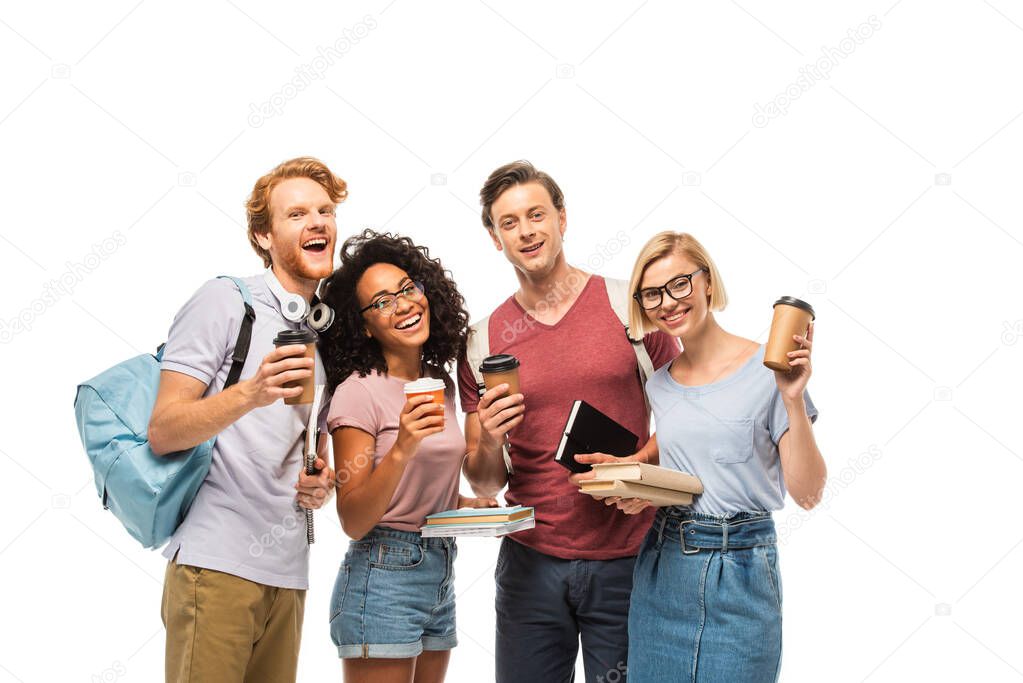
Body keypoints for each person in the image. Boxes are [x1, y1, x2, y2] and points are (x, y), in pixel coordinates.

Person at [456, 161, 680, 682]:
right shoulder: (482, 341)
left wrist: (639, 463)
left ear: (562, 218)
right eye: (509, 223)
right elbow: (485, 480)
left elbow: (691, 418)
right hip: (529, 565)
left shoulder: (631, 308)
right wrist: (488, 438)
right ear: (495, 238)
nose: (527, 231)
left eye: (537, 214)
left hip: (631, 556)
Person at [148, 157, 343, 683]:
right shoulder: (226, 302)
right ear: (263, 235)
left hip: (289, 572)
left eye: (324, 211)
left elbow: (307, 453)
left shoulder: (323, 333)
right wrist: (251, 392)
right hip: (216, 567)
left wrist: (320, 481)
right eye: (297, 214)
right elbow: (164, 430)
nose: (318, 222)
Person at [606, 231, 826, 682]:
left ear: (707, 281)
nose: (667, 302)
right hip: (663, 568)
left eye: (680, 284)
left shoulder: (769, 371)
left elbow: (808, 493)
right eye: (652, 294)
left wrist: (792, 400)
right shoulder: (660, 385)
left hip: (742, 572)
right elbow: (687, 476)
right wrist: (639, 492)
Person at [319, 230, 495, 683]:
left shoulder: (441, 382)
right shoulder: (358, 392)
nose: (403, 305)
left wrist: (466, 506)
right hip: (382, 573)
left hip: (439, 565)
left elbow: (419, 490)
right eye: (381, 302)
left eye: (406, 289)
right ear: (363, 325)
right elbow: (353, 518)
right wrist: (402, 446)